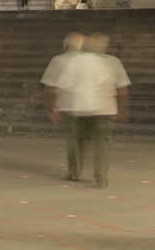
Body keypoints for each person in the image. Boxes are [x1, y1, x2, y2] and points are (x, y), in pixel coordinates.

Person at [42, 33, 130, 185]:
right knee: (101, 143)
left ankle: (75, 172)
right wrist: (121, 109)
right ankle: (101, 176)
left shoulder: (75, 61)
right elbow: (121, 89)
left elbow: (59, 86)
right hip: (104, 108)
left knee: (76, 140)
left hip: (76, 107)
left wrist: (53, 106)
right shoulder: (110, 61)